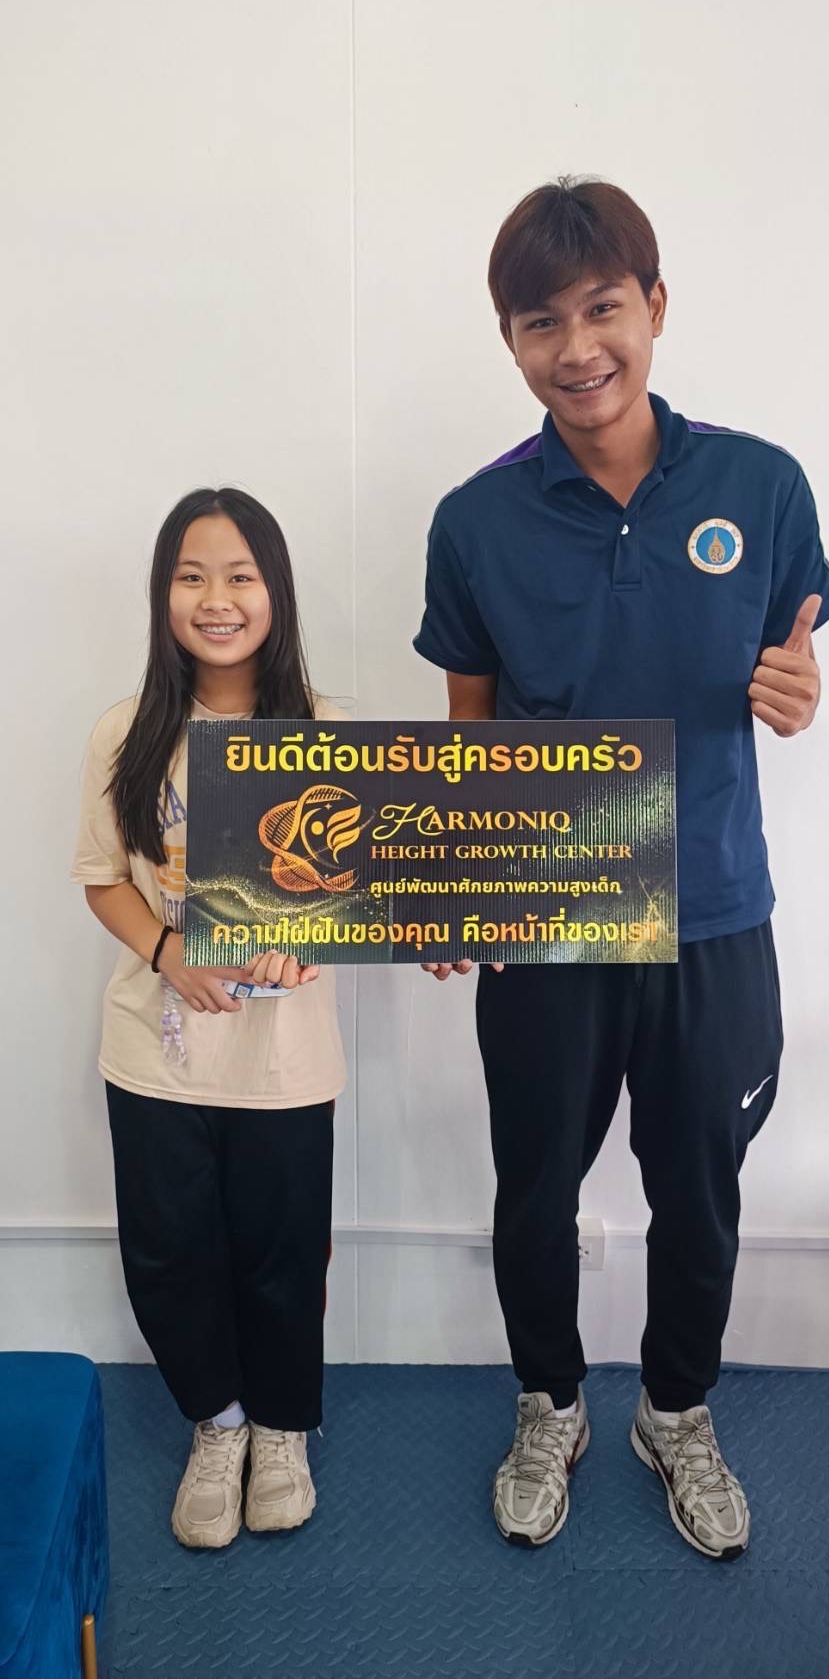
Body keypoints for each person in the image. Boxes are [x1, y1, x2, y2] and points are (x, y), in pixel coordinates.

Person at [413, 177, 829, 1558]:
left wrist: (800, 689)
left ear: (654, 306)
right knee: (533, 1187)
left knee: (700, 1190)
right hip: (549, 908)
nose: (577, 346)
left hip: (714, 908)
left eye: (603, 307)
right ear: (510, 340)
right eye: (541, 322)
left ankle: (675, 1407)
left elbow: (793, 648)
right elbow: (469, 723)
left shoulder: (760, 485)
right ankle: (550, 1402)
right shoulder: (475, 519)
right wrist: (458, 877)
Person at [72, 488, 347, 1549]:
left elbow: (356, 895)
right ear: (163, 594)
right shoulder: (125, 731)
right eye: (192, 576)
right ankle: (219, 1423)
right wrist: (168, 951)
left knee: (283, 1252)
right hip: (156, 1049)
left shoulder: (324, 730)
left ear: (276, 592)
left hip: (282, 1057)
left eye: (240, 576)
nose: (216, 599)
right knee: (169, 1251)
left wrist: (311, 938)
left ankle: (281, 1428)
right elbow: (103, 878)